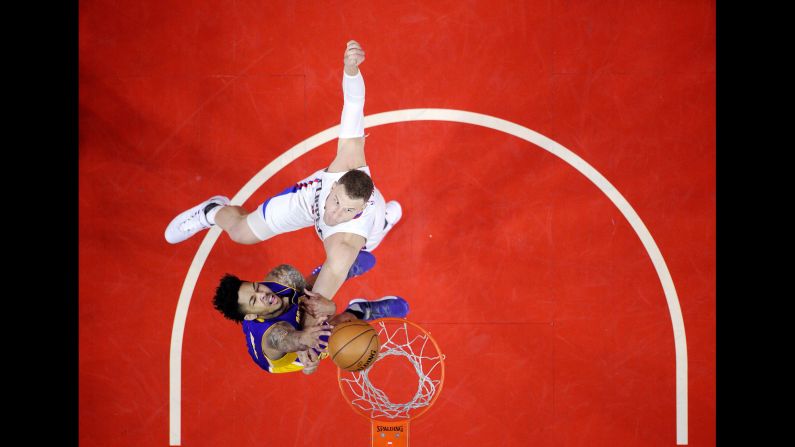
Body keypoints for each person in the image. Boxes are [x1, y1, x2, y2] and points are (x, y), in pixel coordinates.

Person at [166, 39, 401, 301]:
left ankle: (382, 222)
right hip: (308, 201)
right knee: (242, 234)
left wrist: (309, 325)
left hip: (359, 227)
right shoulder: (347, 160)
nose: (335, 214)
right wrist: (351, 70)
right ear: (334, 185)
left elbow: (321, 294)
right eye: (336, 202)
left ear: (360, 208)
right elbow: (354, 105)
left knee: (371, 237)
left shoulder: (346, 243)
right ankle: (212, 211)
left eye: (347, 210)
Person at [212, 264, 409, 375]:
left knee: (309, 291)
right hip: (287, 353)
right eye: (254, 300)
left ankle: (330, 271)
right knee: (334, 332)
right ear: (251, 315)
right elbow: (290, 339)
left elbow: (306, 292)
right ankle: (358, 311)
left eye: (256, 287)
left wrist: (328, 302)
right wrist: (306, 354)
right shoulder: (273, 336)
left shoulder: (279, 278)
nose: (263, 294)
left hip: (295, 322)